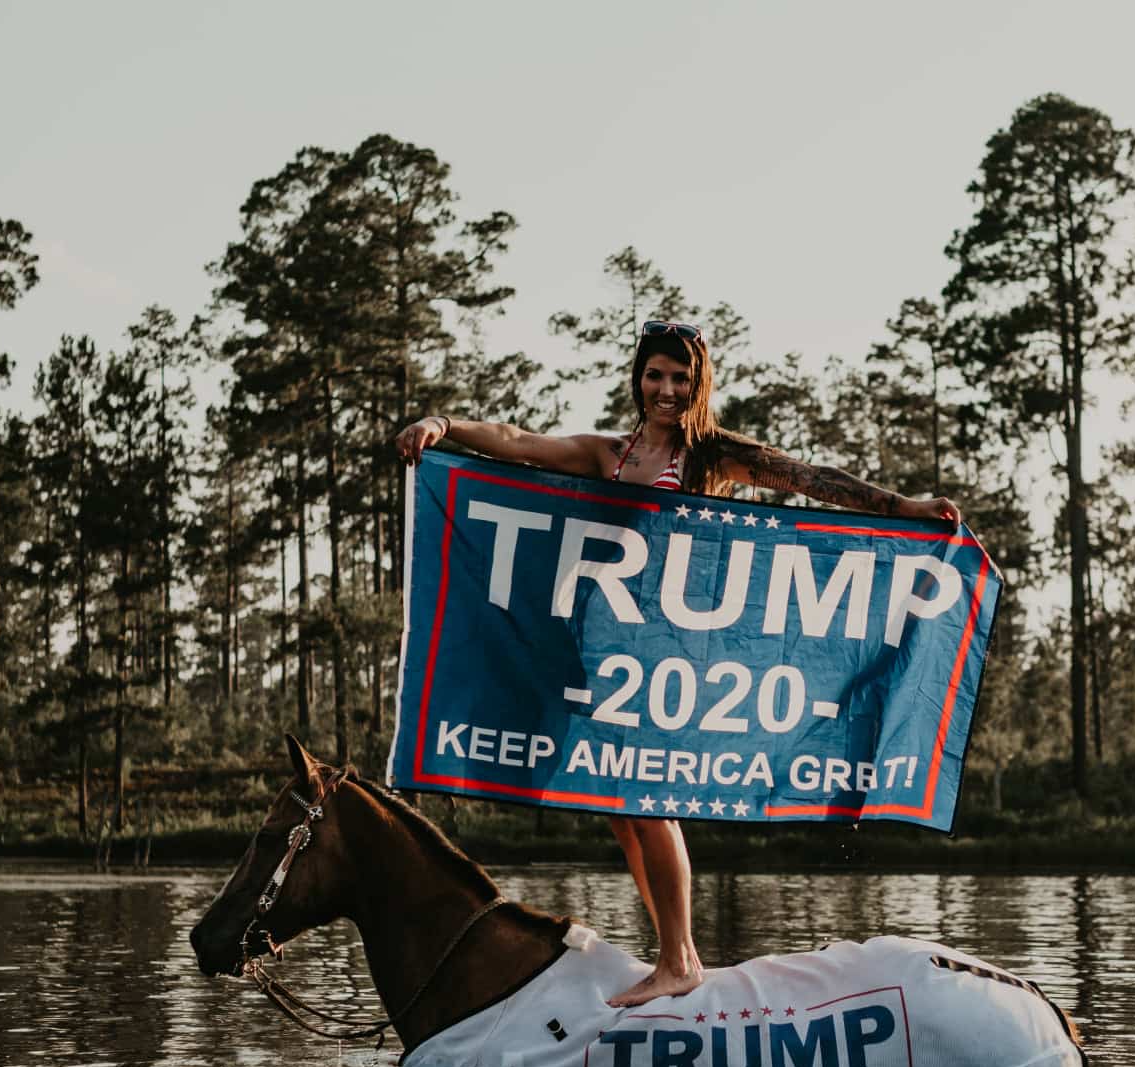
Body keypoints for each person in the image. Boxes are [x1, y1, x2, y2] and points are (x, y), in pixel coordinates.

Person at [396, 320, 959, 1006]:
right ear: (638, 378)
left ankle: (680, 958)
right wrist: (443, 423)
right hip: (603, 646)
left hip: (676, 649)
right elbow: (519, 443)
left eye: (679, 378)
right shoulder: (608, 453)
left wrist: (902, 507)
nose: (665, 390)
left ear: (698, 383)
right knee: (618, 803)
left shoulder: (710, 457)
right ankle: (673, 950)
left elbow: (811, 478)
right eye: (654, 375)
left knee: (647, 794)